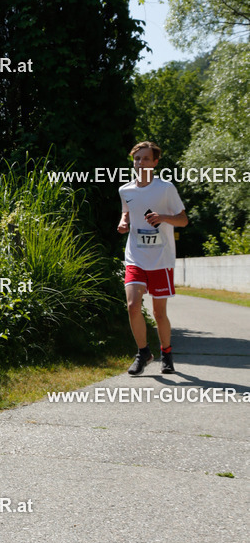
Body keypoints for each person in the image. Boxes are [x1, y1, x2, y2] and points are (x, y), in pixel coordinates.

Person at [117, 141, 188, 376]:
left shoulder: (166, 188)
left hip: (161, 259)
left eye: (146, 158)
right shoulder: (125, 190)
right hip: (136, 256)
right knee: (133, 305)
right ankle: (143, 353)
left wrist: (163, 217)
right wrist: (124, 221)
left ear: (155, 162)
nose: (141, 163)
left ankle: (166, 353)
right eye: (137, 159)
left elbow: (183, 220)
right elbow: (127, 210)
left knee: (159, 313)